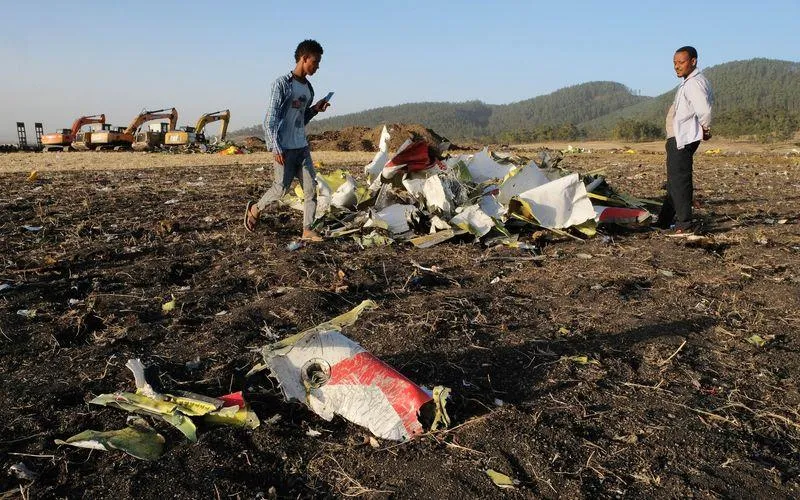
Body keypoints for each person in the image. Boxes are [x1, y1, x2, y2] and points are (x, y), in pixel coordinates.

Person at [244, 39, 330, 241]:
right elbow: (269, 120)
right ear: (304, 58)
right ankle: (255, 208)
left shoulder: (309, 89)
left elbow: (301, 119)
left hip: (302, 147)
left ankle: (307, 230)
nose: (317, 66)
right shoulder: (282, 84)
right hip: (284, 148)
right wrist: (276, 147)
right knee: (280, 189)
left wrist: (315, 110)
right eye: (315, 62)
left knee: (311, 190)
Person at [657, 45, 713, 233]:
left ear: (693, 61)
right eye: (674, 63)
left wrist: (705, 128)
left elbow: (704, 109)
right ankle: (664, 221)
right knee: (674, 181)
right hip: (678, 137)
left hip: (682, 138)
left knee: (680, 180)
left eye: (681, 62)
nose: (677, 66)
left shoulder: (693, 83)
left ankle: (684, 224)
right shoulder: (688, 82)